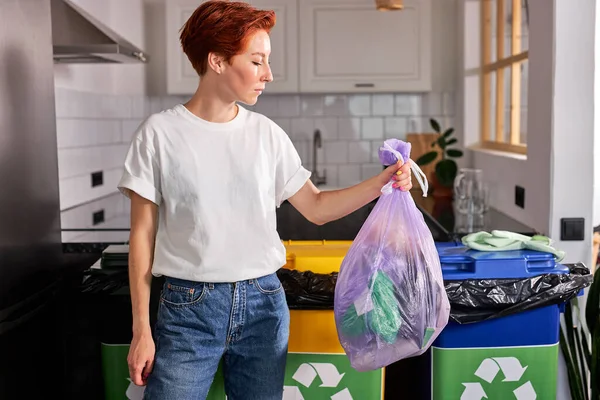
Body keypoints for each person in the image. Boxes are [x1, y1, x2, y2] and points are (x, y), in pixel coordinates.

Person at [117, 1, 413, 399]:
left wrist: (384, 183)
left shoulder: (267, 135)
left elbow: (318, 208)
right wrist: (141, 330)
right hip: (188, 309)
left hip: (264, 305)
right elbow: (142, 236)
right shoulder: (159, 135)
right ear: (217, 61)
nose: (268, 75)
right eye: (257, 61)